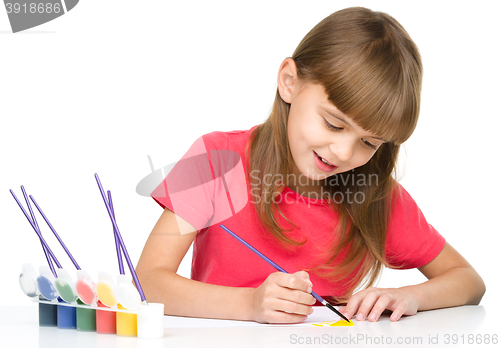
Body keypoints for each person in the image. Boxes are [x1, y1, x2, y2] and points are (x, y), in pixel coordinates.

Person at [135, 6, 485, 324]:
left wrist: (411, 296)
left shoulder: (374, 195)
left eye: (369, 142)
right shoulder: (218, 159)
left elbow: (468, 282)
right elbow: (149, 281)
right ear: (289, 81)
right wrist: (250, 305)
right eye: (334, 124)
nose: (345, 153)